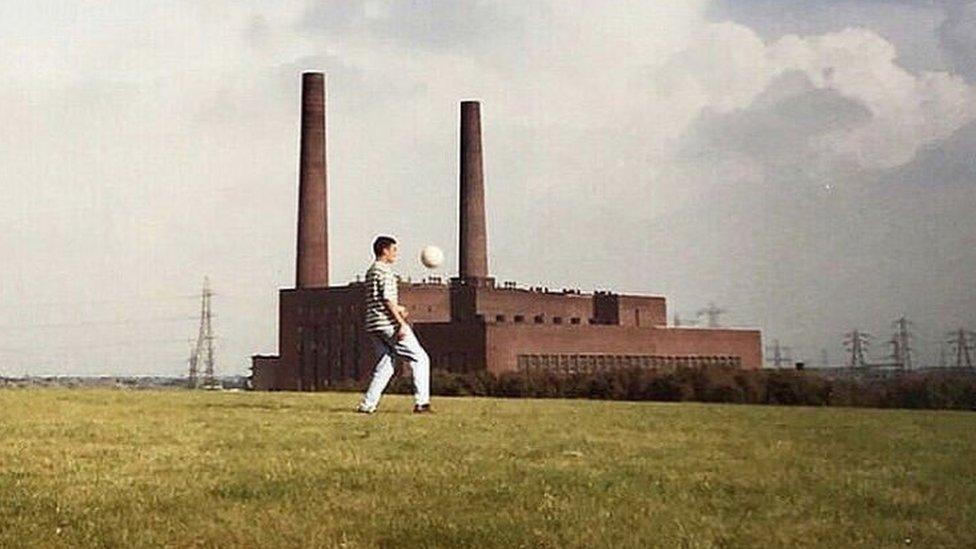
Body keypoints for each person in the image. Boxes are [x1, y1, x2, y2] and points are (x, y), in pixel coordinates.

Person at [357, 235, 432, 414]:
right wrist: (401, 323)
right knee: (420, 358)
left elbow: (379, 300)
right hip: (388, 324)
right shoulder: (386, 271)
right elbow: (387, 300)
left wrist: (399, 308)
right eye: (394, 250)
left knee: (386, 364)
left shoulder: (371, 271)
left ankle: (368, 405)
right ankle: (422, 403)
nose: (395, 254)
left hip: (373, 325)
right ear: (385, 250)